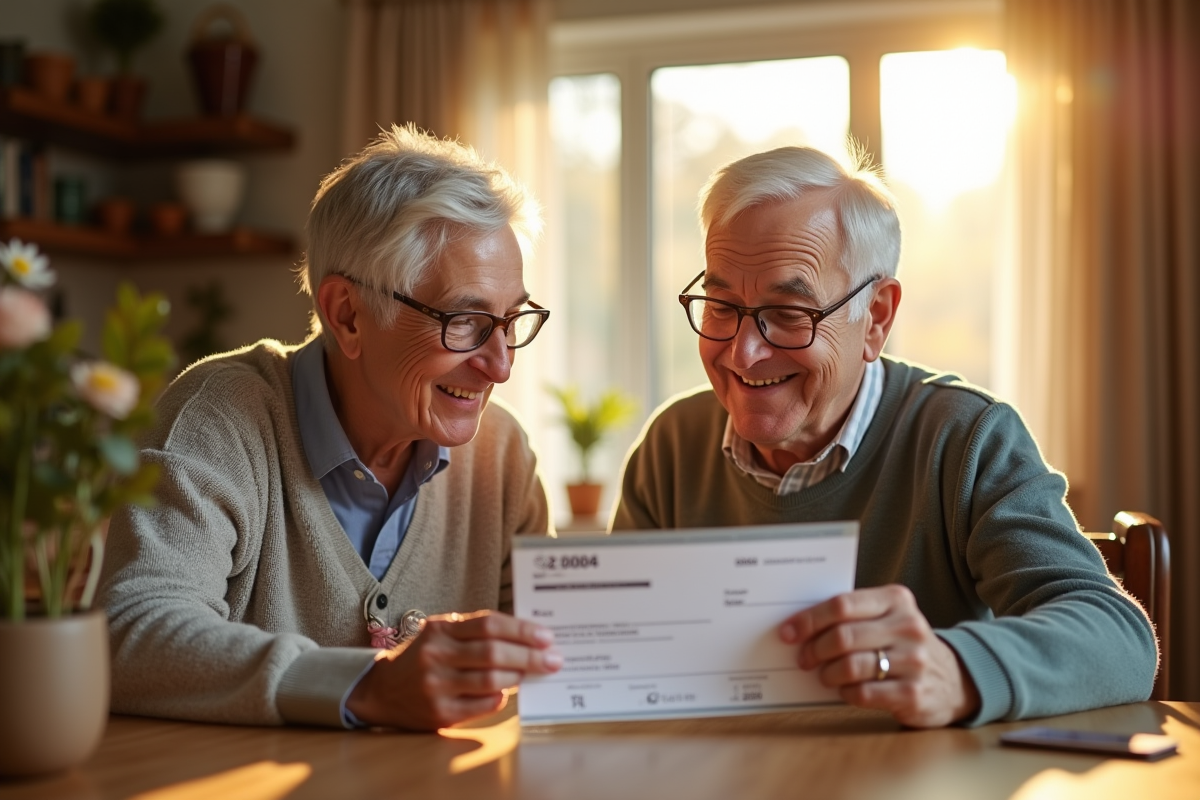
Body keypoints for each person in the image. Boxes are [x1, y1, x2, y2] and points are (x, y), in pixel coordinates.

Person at [613, 145, 1157, 728]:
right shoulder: (672, 444)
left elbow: (1118, 637)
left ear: (875, 317)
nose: (744, 352)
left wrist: (955, 668)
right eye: (722, 306)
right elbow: (615, 647)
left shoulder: (966, 438)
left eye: (790, 314)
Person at [98, 125, 563, 731]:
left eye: (511, 320)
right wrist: (368, 684)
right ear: (347, 314)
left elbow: (555, 659)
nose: (499, 364)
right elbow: (129, 631)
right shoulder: (222, 420)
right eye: (466, 321)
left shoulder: (502, 456)